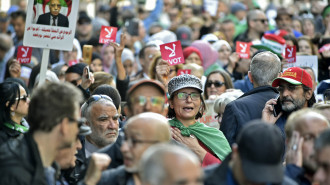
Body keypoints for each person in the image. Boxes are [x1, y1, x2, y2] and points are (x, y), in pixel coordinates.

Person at [0, 82, 83, 185]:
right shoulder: (13, 170)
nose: (79, 145)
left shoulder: (49, 163)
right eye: (78, 124)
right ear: (64, 125)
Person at [98, 79, 167, 169]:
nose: (147, 107)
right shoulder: (103, 161)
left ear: (165, 112)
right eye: (139, 100)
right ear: (127, 111)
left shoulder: (180, 155)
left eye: (156, 101)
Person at [86, 112, 171, 185]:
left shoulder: (180, 178)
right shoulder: (106, 180)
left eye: (134, 141)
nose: (123, 148)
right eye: (125, 139)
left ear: (159, 146)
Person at [204, 120, 297, 185]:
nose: (258, 181)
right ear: (235, 153)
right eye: (252, 173)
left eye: (267, 175)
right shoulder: (201, 180)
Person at [168, 74, 231, 167]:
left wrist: (197, 149)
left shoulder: (214, 134)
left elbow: (228, 171)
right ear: (171, 103)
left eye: (195, 95)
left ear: (201, 103)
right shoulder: (162, 130)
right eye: (182, 95)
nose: (189, 100)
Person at [221, 51, 281, 145]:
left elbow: (224, 151)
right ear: (279, 77)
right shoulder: (290, 105)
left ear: (250, 76)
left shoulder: (234, 107)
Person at [262, 67, 315, 135]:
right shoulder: (273, 122)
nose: (284, 94)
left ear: (308, 94)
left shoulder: (319, 123)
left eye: (292, 88)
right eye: (281, 89)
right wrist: (265, 127)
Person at [284, 109, 329, 185]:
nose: (317, 144)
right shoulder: (273, 179)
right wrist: (292, 173)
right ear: (290, 143)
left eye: (322, 137)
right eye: (309, 138)